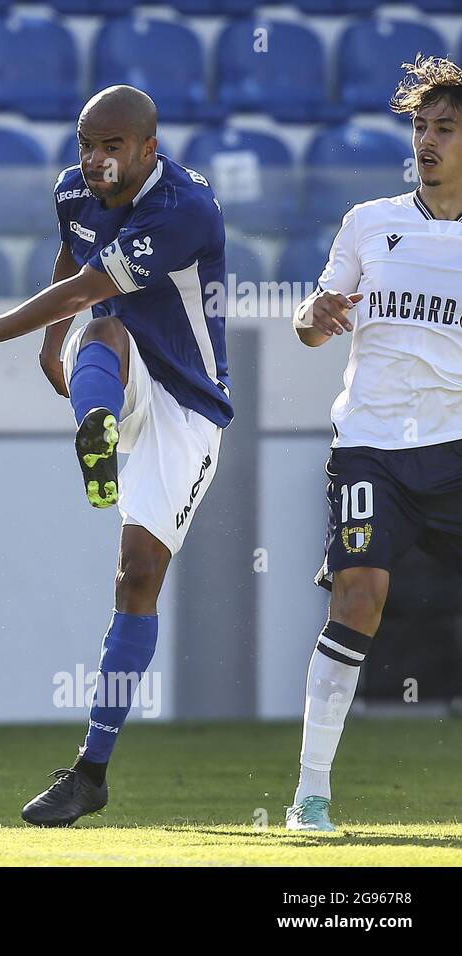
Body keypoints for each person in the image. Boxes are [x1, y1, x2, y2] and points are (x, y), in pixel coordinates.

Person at [0, 86, 231, 826]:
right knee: (103, 332)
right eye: (86, 143)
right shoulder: (76, 188)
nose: (96, 159)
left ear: (149, 148)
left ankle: (91, 773)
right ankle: (98, 434)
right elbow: (72, 250)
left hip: (188, 405)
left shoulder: (184, 208)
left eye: (113, 146)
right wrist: (51, 343)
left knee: (137, 576)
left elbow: (87, 281)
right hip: (123, 367)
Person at [286, 56, 462, 832]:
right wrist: (315, 316)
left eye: (446, 129)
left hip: (456, 446)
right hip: (372, 448)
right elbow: (309, 320)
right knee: (359, 595)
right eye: (421, 127)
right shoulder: (368, 221)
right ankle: (310, 797)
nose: (427, 141)